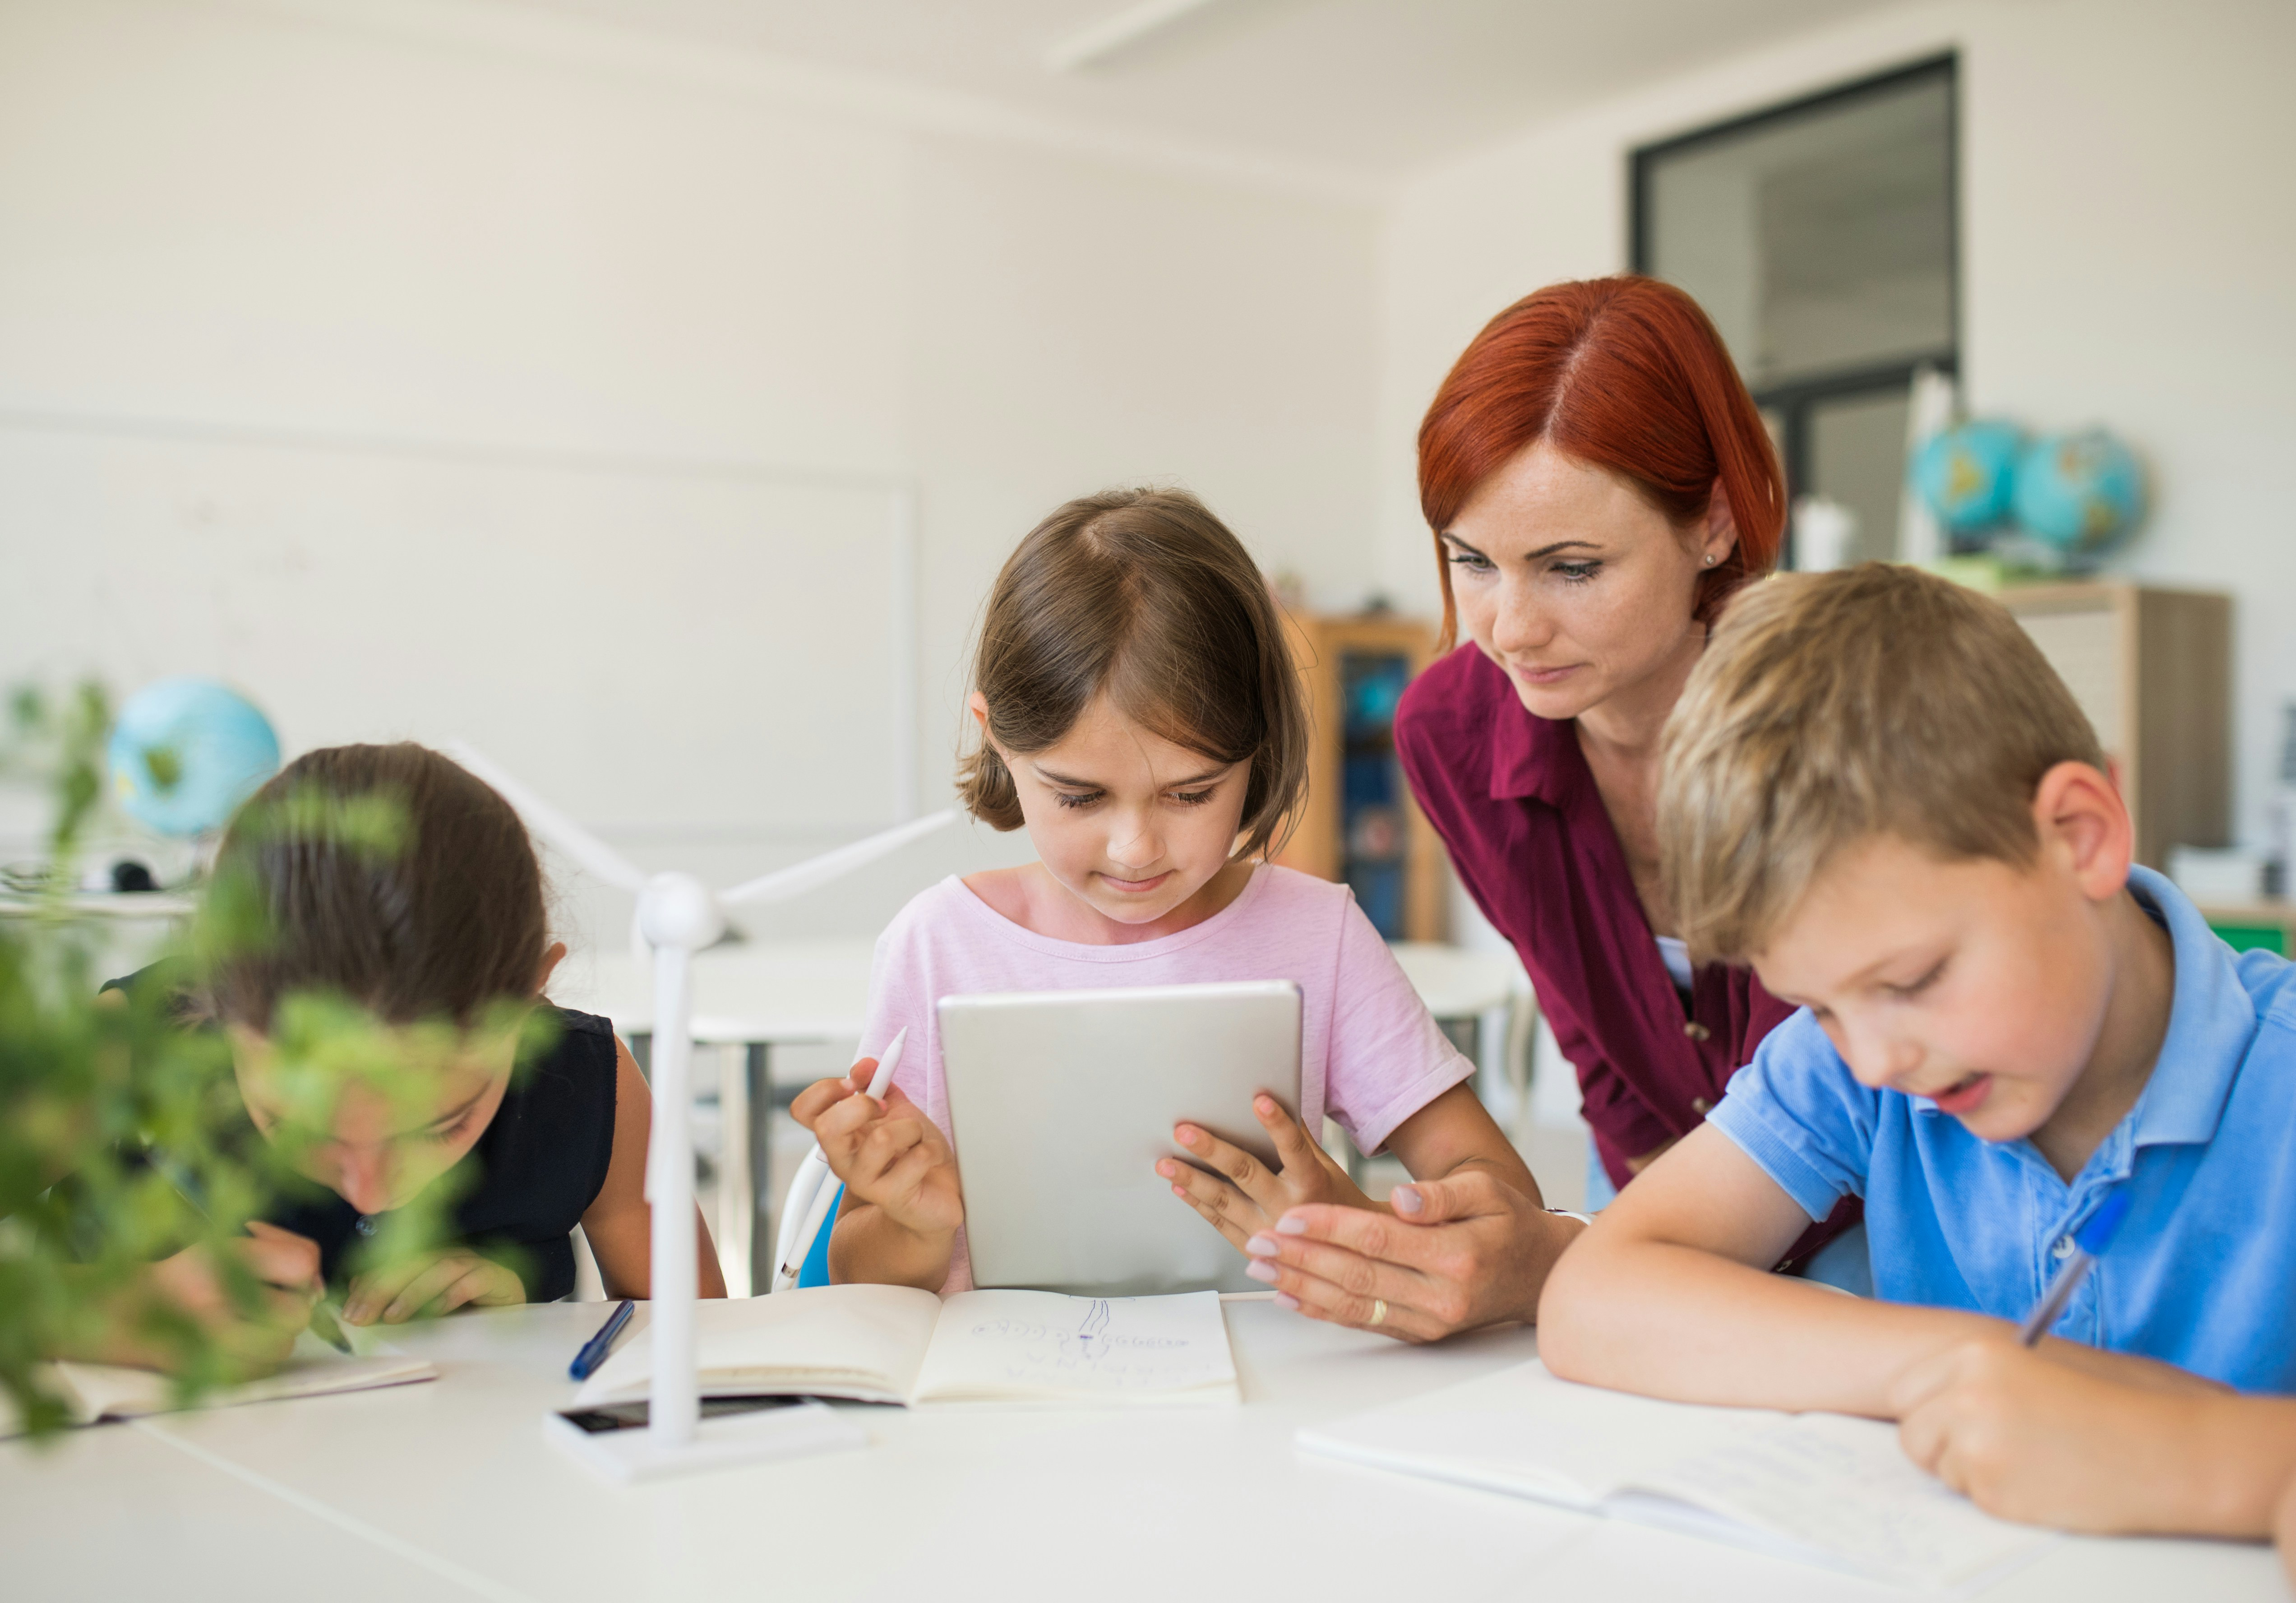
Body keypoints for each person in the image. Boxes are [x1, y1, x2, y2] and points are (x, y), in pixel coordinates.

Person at [792, 487, 1572, 1335]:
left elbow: (1502, 1198)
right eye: (1080, 796)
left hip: (1269, 1399)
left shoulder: (1321, 935)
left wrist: (1344, 1215)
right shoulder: (938, 944)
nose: (1136, 849)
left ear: (1258, 753)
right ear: (996, 739)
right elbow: (859, 1286)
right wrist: (913, 1224)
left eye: (1191, 793)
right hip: (1006, 1406)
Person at [1538, 566, 2296, 1422]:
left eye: (1913, 981)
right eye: (1819, 1005)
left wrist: (2182, 1444)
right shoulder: (1853, 1062)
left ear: (2080, 839)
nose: (1875, 1058)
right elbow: (1595, 1296)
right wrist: (1969, 1365)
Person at [74, 743, 724, 1371]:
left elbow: (709, 1354)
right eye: (300, 1126)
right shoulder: (124, 1049)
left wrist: (528, 1315)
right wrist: (104, 1313)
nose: (372, 1192)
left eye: (440, 1125)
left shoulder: (587, 1087)